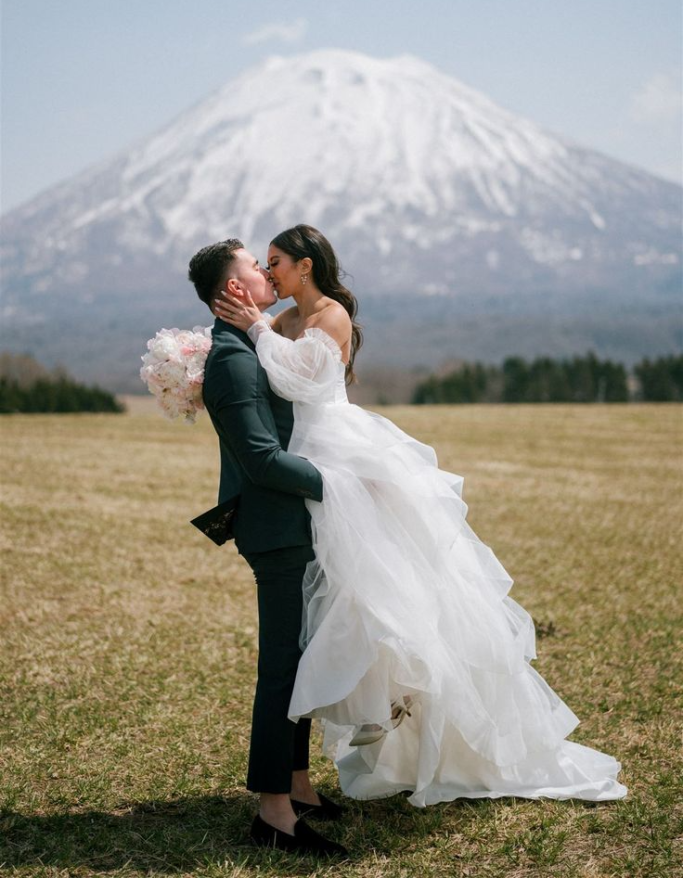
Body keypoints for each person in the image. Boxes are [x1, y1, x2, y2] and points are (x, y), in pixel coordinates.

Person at [214, 224, 628, 807]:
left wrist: (253, 326)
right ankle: (308, 767)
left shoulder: (328, 316)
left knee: (386, 587)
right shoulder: (281, 321)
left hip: (337, 455)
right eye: (264, 264)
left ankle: (407, 714)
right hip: (304, 460)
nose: (270, 271)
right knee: (330, 606)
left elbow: (294, 377)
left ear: (305, 268)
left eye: (276, 261)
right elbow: (253, 374)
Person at [187, 239, 349, 860]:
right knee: (281, 667)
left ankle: (299, 785)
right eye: (255, 265)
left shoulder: (250, 340)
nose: (264, 271)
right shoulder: (229, 358)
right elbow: (258, 458)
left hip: (292, 524)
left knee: (299, 659)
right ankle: (273, 812)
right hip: (275, 529)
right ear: (234, 288)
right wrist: (336, 484)